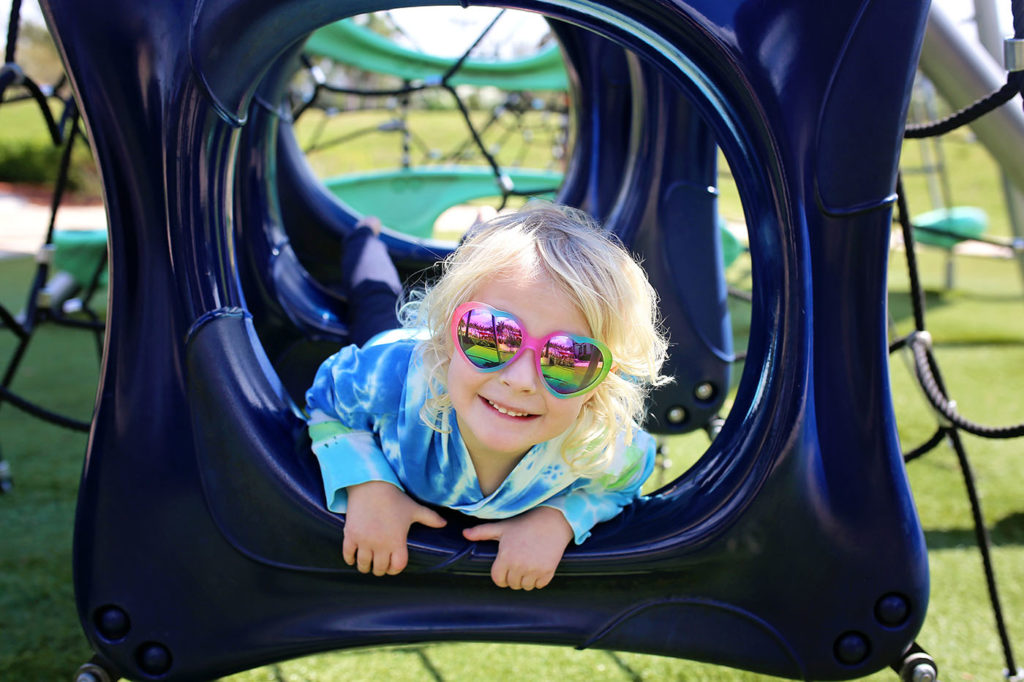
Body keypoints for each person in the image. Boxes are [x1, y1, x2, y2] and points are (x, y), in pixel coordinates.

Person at [305, 203, 670, 590]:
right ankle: (364, 237)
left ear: (600, 384)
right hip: (408, 351)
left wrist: (557, 518)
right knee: (375, 302)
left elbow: (623, 482)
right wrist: (370, 485)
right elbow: (329, 399)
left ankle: (481, 239)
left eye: (569, 359)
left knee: (475, 285)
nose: (520, 380)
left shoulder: (599, 444)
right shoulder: (390, 378)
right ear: (448, 332)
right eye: (491, 335)